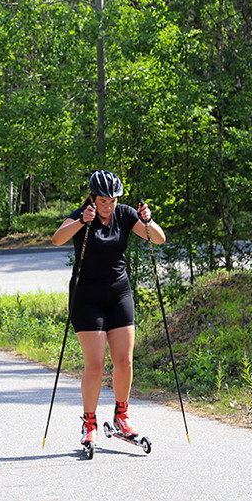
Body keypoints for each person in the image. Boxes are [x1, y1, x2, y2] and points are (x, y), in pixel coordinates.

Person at [51, 170, 166, 450]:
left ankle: (122, 416)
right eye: (103, 200)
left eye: (113, 200)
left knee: (124, 361)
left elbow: (158, 239)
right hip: (86, 298)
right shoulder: (82, 215)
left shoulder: (125, 214)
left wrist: (148, 221)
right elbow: (57, 239)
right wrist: (81, 221)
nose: (108, 205)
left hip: (118, 294)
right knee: (96, 364)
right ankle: (89, 423)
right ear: (93, 197)